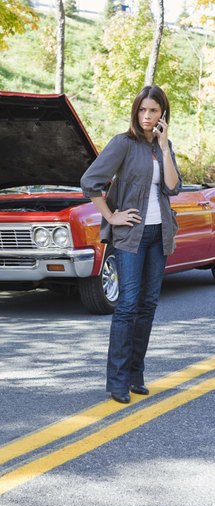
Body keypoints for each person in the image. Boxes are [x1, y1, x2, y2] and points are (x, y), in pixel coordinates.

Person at [80, 85, 182, 404]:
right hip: (131, 235)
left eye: (153, 110)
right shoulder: (123, 143)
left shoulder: (163, 146)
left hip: (158, 235)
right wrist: (112, 215)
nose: (147, 116)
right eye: (142, 110)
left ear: (163, 113)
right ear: (136, 111)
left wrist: (164, 148)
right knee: (127, 305)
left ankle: (136, 374)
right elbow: (90, 182)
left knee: (148, 306)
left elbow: (173, 187)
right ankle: (118, 380)